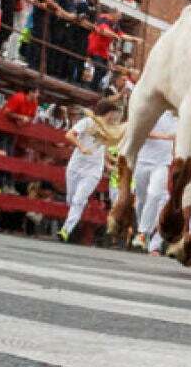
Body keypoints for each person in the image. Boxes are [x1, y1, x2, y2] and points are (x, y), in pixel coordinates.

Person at [61, 100, 123, 241]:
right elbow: (69, 134)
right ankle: (73, 219)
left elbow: (104, 148)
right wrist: (81, 146)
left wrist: (109, 163)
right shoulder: (88, 122)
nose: (115, 117)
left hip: (94, 170)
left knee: (79, 199)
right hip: (76, 165)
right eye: (113, 114)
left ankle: (65, 230)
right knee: (71, 198)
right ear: (108, 113)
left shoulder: (111, 129)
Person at [133, 108, 177, 253]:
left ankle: (142, 233)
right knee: (141, 199)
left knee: (155, 195)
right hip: (143, 160)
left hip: (162, 164)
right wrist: (165, 137)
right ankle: (142, 229)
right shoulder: (155, 112)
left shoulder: (182, 119)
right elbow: (142, 131)